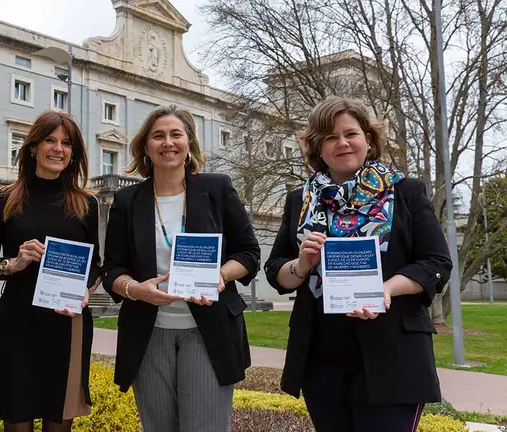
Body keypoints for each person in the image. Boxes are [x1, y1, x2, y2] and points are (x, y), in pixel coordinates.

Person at [264, 96, 453, 432]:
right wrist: (302, 265)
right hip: (321, 358)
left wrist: (387, 289)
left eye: (350, 133)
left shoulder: (405, 191)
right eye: (330, 137)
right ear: (317, 147)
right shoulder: (300, 200)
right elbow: (276, 270)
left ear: (368, 138)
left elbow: (436, 263)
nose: (342, 143)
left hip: (394, 354)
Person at [101, 104, 261, 432]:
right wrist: (136, 290)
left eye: (176, 134)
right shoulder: (128, 201)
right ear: (145, 147)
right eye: (158, 136)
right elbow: (112, 270)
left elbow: (248, 253)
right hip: (149, 334)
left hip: (209, 332)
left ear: (189, 143)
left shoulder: (217, 189)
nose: (168, 142)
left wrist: (220, 275)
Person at [0, 110, 101, 432]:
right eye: (50, 140)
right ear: (33, 146)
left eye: (66, 143)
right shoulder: (3, 199)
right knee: (17, 421)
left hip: (67, 323)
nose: (58, 149)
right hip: (18, 323)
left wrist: (87, 288)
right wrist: (13, 264)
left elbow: (96, 265)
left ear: (74, 153)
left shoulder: (86, 204)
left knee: (58, 422)